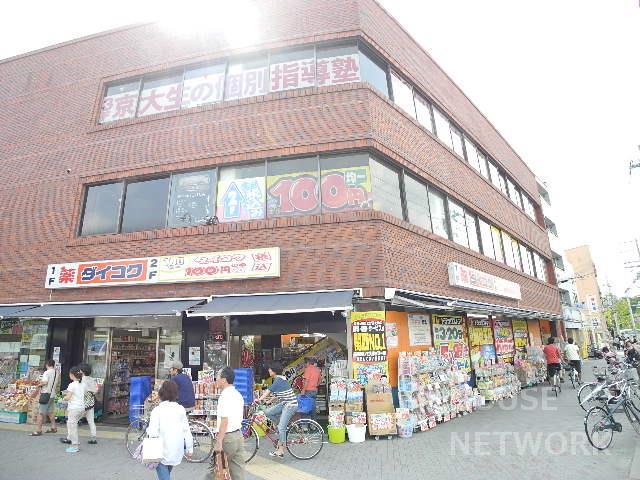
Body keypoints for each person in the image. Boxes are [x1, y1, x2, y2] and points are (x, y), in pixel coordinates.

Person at [147, 380, 193, 480]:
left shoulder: (157, 411)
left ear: (161, 393)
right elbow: (186, 430)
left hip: (160, 451)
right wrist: (190, 448)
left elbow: (153, 433)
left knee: (164, 476)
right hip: (176, 450)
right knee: (166, 474)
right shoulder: (180, 409)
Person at [254, 362, 298, 458]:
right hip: (285, 403)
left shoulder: (278, 380)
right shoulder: (280, 379)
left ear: (274, 371)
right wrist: (269, 401)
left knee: (281, 427)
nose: (269, 370)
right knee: (268, 412)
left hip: (290, 405)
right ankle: (280, 427)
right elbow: (278, 392)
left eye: (270, 369)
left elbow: (268, 391)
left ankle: (281, 450)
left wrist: (259, 399)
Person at [213, 367, 245, 480]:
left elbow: (224, 421)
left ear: (224, 379)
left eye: (217, 376)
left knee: (218, 471)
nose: (216, 379)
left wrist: (219, 441)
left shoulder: (224, 396)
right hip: (238, 436)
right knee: (237, 472)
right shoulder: (237, 394)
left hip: (227, 438)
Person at [61, 363, 98, 445]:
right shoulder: (93, 380)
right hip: (90, 403)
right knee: (91, 421)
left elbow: (76, 391)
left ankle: (70, 438)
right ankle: (93, 438)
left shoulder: (80, 380)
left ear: (82, 371)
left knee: (72, 422)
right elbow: (95, 391)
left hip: (81, 404)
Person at [30, 359, 58, 436]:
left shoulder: (47, 372)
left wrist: (39, 385)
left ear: (47, 365)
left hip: (45, 394)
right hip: (52, 394)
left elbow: (45, 382)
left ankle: (38, 430)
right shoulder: (56, 372)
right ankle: (53, 427)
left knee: (40, 413)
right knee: (50, 412)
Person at [63, 366, 86, 453]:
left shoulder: (72, 385)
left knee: (72, 426)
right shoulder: (82, 384)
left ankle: (75, 445)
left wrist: (64, 398)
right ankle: (70, 438)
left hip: (74, 408)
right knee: (71, 424)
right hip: (81, 408)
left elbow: (68, 397)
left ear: (72, 375)